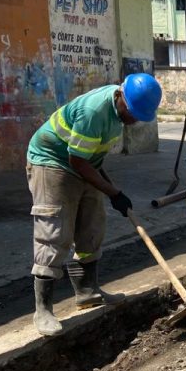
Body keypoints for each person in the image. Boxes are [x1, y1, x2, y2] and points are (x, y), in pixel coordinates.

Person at [26, 73, 163, 336]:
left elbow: (92, 160)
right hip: (51, 161)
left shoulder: (118, 113)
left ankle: (87, 291)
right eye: (133, 113)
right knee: (55, 232)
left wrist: (114, 193)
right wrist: (113, 192)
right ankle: (43, 310)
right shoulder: (94, 112)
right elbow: (77, 160)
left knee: (92, 225)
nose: (134, 120)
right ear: (121, 97)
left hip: (80, 164)